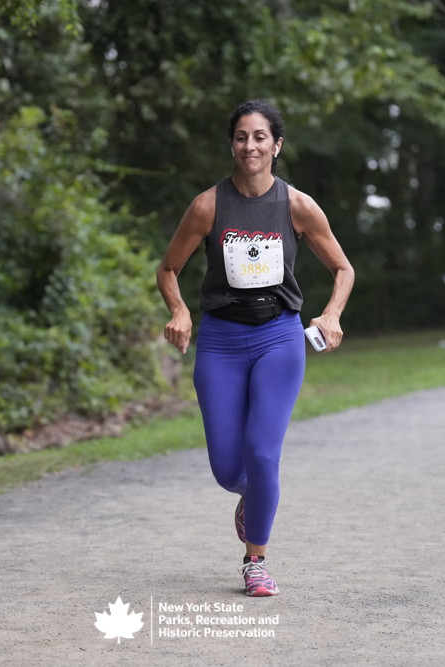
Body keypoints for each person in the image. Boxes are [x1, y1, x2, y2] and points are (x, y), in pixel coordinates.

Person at [156, 100, 354, 597]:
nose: (251, 146)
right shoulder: (208, 206)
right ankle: (254, 495)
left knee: (263, 455)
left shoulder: (297, 206)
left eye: (260, 137)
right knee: (229, 468)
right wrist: (180, 311)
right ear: (232, 145)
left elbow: (343, 269)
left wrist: (331, 315)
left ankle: (255, 561)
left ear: (277, 145)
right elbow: (168, 269)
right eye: (242, 137)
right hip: (220, 341)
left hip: (278, 338)